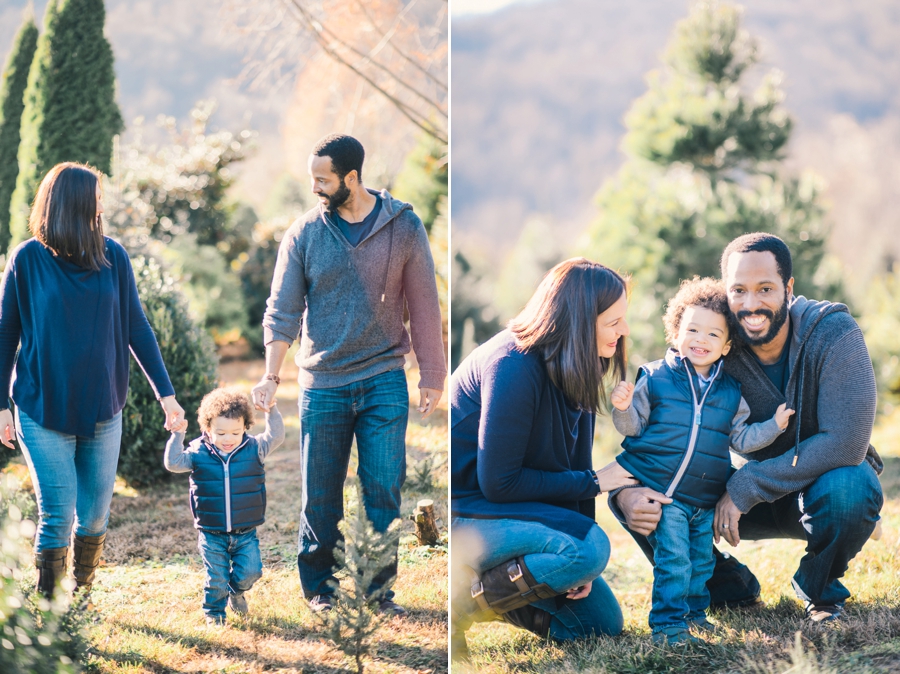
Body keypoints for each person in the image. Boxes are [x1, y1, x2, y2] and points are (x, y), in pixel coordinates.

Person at [613, 232, 883, 623]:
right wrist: (625, 494)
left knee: (850, 488)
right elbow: (663, 413)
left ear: (788, 288)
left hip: (818, 484)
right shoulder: (715, 340)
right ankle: (727, 588)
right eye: (739, 290)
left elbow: (846, 443)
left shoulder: (833, 332)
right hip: (741, 494)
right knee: (639, 496)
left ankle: (820, 591)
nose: (751, 304)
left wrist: (746, 485)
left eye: (766, 289)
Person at [252, 134, 446, 618]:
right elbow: (282, 311)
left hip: (384, 376)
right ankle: (320, 588)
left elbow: (424, 303)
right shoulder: (304, 234)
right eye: (312, 178)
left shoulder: (403, 226)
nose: (316, 187)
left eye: (325, 179)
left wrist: (433, 374)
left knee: (383, 488)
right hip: (323, 384)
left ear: (352, 179)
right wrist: (271, 377)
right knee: (321, 495)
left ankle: (378, 591)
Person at [0, 162, 185, 598]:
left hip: (104, 409)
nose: (103, 203)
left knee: (96, 517)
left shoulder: (113, 256)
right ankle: (52, 616)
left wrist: (168, 396)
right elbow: (6, 335)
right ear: (76, 202)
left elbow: (137, 327)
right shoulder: (27, 259)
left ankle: (81, 596)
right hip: (42, 409)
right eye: (98, 195)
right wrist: (1, 406)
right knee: (58, 515)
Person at [450, 258, 639, 661]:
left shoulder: (580, 367)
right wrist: (594, 483)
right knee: (590, 549)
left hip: (512, 515)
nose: (623, 331)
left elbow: (574, 463)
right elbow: (499, 483)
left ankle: (487, 590)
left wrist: (582, 563)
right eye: (613, 322)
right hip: (468, 515)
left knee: (599, 623)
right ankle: (459, 605)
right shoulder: (512, 364)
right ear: (579, 321)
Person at [610, 277, 793, 644]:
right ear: (675, 332)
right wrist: (623, 406)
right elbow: (633, 428)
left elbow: (741, 437)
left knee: (701, 563)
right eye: (692, 329)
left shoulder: (729, 391)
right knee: (674, 562)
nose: (700, 340)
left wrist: (773, 426)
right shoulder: (656, 378)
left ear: (726, 346)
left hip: (705, 497)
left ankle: (694, 615)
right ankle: (667, 626)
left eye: (713, 335)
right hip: (666, 496)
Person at [165, 386, 284, 626]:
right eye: (221, 433)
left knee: (252, 572)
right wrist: (177, 435)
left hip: (245, 532)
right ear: (207, 428)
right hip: (212, 532)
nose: (228, 439)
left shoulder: (254, 449)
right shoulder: (198, 452)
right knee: (216, 578)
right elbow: (173, 463)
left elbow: (276, 436)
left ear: (245, 428)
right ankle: (214, 614)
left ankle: (236, 591)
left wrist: (271, 409)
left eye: (235, 433)